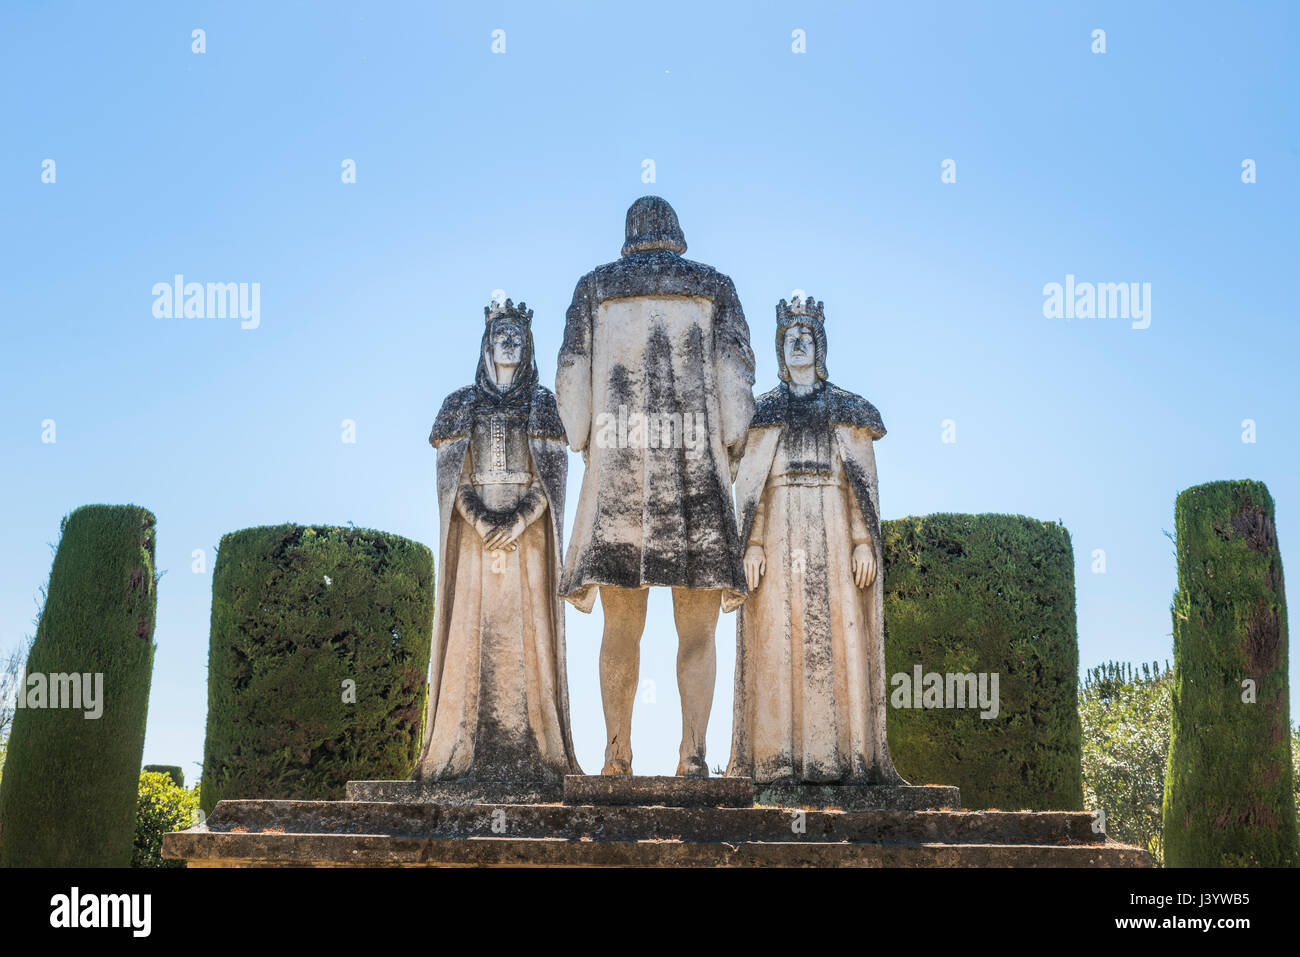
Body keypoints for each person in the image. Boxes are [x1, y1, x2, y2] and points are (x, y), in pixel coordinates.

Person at [556, 196, 755, 776]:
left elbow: (572, 405)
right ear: (677, 233)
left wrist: (589, 438)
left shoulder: (595, 289)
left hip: (618, 479)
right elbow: (737, 395)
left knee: (621, 630)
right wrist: (729, 448)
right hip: (697, 480)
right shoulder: (714, 288)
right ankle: (693, 755)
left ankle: (616, 754)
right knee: (698, 633)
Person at [728, 296, 906, 785]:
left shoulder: (846, 411)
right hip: (779, 534)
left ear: (820, 345)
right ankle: (776, 761)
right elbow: (754, 487)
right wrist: (753, 543)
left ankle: (841, 759)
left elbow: (857, 487)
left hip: (833, 532)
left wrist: (863, 540)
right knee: (777, 643)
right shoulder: (764, 413)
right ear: (780, 348)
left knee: (839, 641)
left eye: (806, 335)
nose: (799, 343)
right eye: (790, 337)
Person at [412, 299, 581, 784]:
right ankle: (458, 745)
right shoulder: (460, 405)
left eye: (517, 336)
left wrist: (520, 521)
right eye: (501, 334)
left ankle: (535, 747)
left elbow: (550, 483)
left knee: (531, 634)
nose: (509, 342)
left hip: (527, 543)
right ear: (486, 344)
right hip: (475, 543)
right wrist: (483, 522)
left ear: (528, 346)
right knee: (468, 629)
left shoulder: (543, 405)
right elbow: (455, 482)